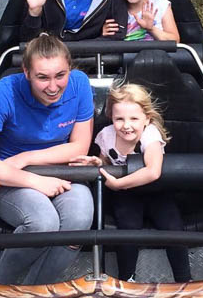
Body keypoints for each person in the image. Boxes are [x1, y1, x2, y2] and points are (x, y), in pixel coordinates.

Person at [0, 34, 95, 285]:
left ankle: (33, 291)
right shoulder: (7, 91)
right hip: (10, 179)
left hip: (61, 172)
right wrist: (33, 180)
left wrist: (26, 158)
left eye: (60, 75)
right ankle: (0, 286)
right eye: (42, 77)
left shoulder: (79, 84)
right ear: (26, 72)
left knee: (79, 219)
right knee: (43, 222)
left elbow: (79, 146)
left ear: (69, 69)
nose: (53, 87)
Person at [70, 84, 191, 283]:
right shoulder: (106, 135)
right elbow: (106, 161)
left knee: (172, 226)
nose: (126, 126)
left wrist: (119, 184)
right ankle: (127, 279)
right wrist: (98, 163)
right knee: (127, 228)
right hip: (126, 195)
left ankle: (184, 280)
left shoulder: (150, 135)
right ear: (111, 118)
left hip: (154, 191)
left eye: (134, 119)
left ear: (147, 119)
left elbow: (153, 171)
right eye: (119, 119)